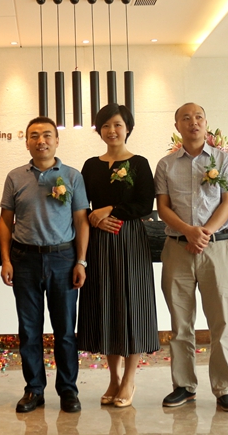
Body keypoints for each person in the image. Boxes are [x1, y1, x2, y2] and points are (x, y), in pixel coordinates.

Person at [155, 103, 228, 412]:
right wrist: (188, 232)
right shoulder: (166, 164)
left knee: (221, 322)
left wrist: (203, 233)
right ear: (177, 126)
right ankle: (184, 386)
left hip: (215, 247)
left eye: (199, 117)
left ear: (206, 123)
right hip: (177, 248)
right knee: (181, 323)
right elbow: (163, 207)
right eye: (186, 118)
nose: (193, 122)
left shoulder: (223, 159)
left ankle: (224, 388)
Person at [0, 116, 88, 414]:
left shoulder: (72, 176)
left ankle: (68, 390)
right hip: (24, 260)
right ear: (26, 142)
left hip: (63, 259)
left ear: (57, 141)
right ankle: (34, 389)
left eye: (47, 135)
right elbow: (5, 221)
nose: (41, 141)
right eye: (34, 136)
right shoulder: (15, 177)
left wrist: (81, 261)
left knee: (65, 331)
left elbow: (81, 221)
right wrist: (6, 259)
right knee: (29, 330)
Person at [78, 104, 159, 408]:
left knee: (133, 305)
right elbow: (80, 205)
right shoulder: (90, 165)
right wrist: (94, 218)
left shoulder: (139, 163)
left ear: (128, 128)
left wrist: (109, 210)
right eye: (105, 125)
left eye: (117, 125)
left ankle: (129, 379)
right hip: (99, 242)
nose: (112, 131)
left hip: (130, 240)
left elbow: (144, 204)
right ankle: (113, 378)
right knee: (107, 306)